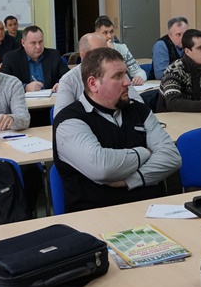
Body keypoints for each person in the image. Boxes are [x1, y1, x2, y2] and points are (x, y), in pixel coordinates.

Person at [53, 47, 181, 212]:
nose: (127, 82)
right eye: (117, 76)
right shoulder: (69, 120)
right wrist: (145, 153)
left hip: (152, 211)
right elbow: (102, 167)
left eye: (125, 74)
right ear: (93, 83)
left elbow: (172, 157)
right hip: (97, 216)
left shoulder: (139, 110)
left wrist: (130, 180)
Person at [54, 33, 144, 117]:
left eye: (107, 51)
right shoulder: (68, 80)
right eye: (99, 54)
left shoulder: (118, 73)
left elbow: (139, 105)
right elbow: (61, 117)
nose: (106, 57)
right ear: (83, 55)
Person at [1, 26, 70, 92]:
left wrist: (62, 84)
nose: (38, 46)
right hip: (23, 99)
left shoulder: (53, 55)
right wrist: (25, 87)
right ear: (23, 43)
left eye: (40, 42)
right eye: (33, 43)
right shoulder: (11, 58)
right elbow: (3, 84)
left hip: (50, 98)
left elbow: (70, 77)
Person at [95, 16, 148, 85]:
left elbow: (139, 72)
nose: (109, 36)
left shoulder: (122, 48)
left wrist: (139, 77)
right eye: (105, 33)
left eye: (111, 32)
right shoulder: (93, 52)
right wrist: (111, 53)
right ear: (97, 34)